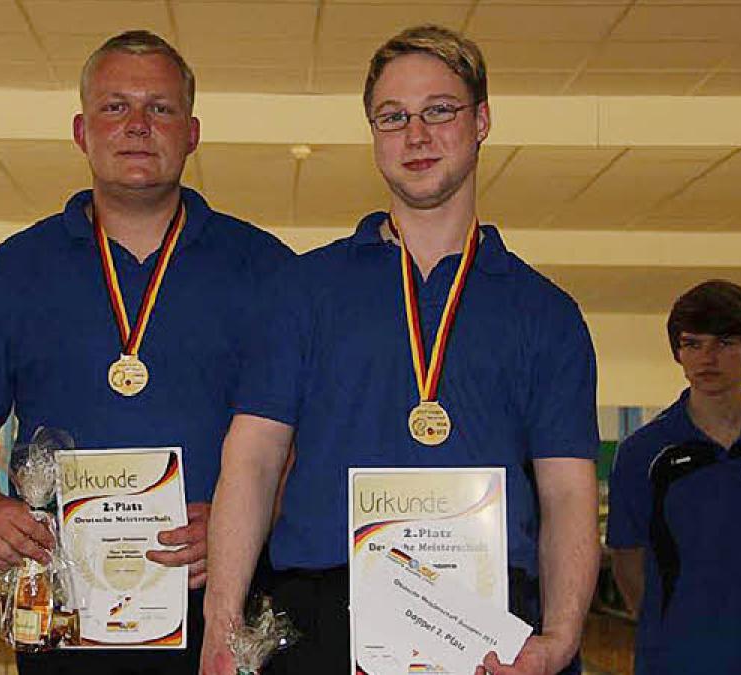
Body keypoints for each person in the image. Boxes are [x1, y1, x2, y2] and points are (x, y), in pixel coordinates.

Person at [200, 24, 600, 675]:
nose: (416, 135)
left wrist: (559, 636)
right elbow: (252, 459)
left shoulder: (545, 312)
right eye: (393, 117)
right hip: (321, 619)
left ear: (482, 121)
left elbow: (566, 491)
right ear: (374, 134)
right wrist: (223, 620)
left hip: (489, 629)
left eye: (439, 110)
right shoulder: (302, 289)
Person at [0, 30, 292, 675]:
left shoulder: (266, 269)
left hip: (221, 608)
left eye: (160, 108)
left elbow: (308, 430)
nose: (137, 125)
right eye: (115, 106)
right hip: (65, 606)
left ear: (193, 132)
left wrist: (246, 522)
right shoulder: (14, 271)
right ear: (81, 130)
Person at [608, 280, 741, 674]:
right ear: (678, 352)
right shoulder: (641, 453)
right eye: (692, 344)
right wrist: (675, 628)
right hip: (674, 662)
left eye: (724, 343)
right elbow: (627, 560)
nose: (707, 358)